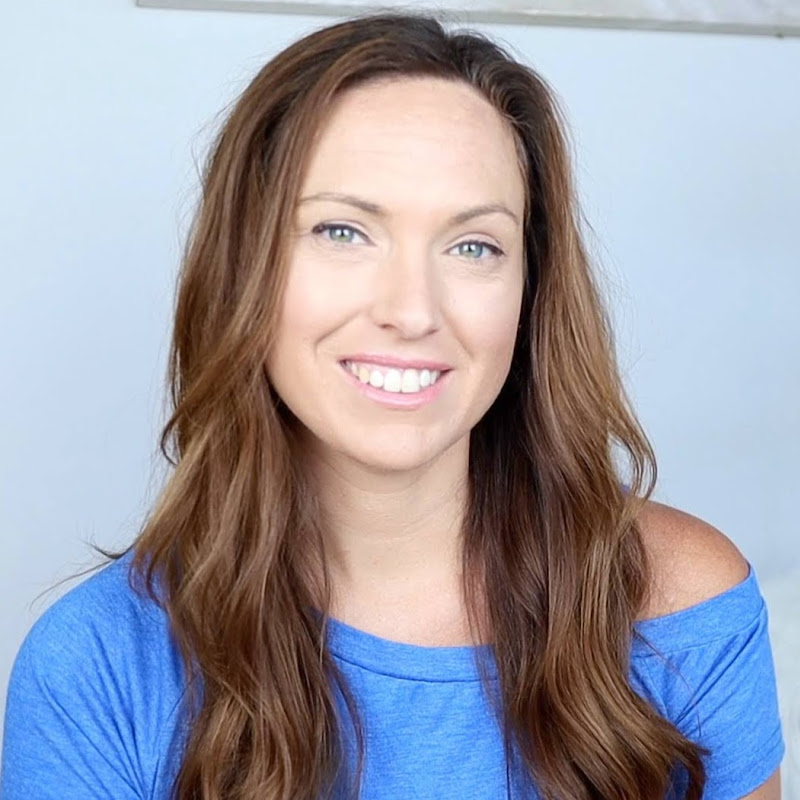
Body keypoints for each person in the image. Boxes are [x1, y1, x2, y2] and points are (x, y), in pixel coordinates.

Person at [0, 11, 784, 800]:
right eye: (343, 231)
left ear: (530, 290)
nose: (412, 311)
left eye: (473, 246)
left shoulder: (682, 608)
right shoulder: (97, 667)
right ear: (244, 267)